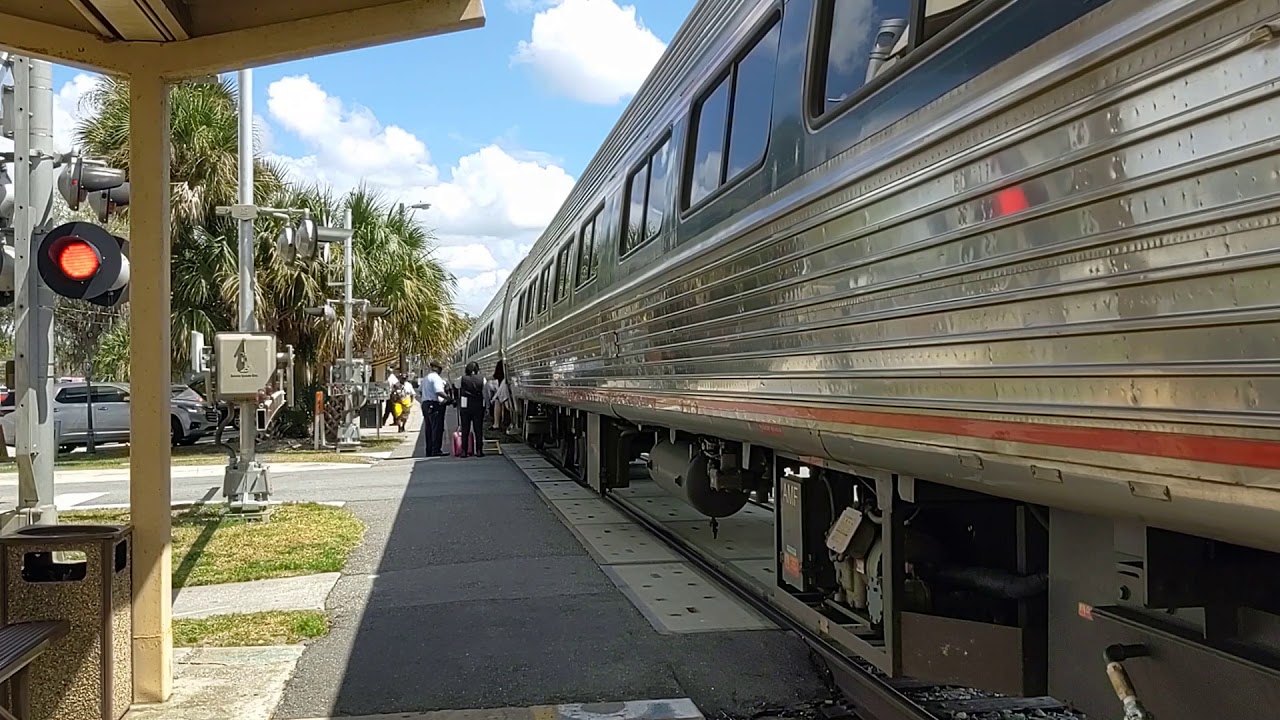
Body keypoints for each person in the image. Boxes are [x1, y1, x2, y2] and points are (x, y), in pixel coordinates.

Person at [458, 361, 486, 457]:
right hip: (478, 405)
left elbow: (457, 386)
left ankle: (464, 451)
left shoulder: (462, 378)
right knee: (478, 429)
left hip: (465, 405)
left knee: (465, 429)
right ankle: (479, 450)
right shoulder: (482, 379)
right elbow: (485, 392)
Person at [421, 361, 448, 456]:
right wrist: (448, 398)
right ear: (436, 368)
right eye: (440, 368)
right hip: (433, 404)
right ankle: (436, 450)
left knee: (428, 428)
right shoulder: (436, 378)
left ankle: (429, 450)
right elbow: (439, 391)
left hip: (425, 404)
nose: (441, 371)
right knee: (437, 428)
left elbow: (420, 391)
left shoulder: (426, 378)